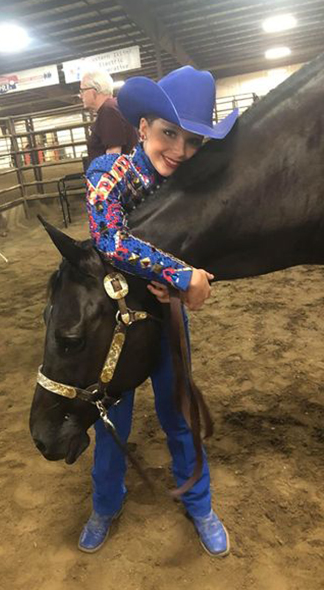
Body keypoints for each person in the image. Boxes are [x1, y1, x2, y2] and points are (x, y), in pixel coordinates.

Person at [80, 66, 239, 557]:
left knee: (179, 411)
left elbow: (204, 244)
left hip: (166, 319)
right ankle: (106, 503)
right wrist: (177, 274)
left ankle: (199, 501)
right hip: (118, 320)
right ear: (143, 128)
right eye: (169, 134)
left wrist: (191, 278)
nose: (180, 151)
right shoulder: (106, 175)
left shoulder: (191, 187)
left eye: (192, 141)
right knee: (112, 417)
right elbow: (108, 238)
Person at [80, 68, 139, 166]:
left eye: (83, 90)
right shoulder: (114, 106)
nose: (81, 95)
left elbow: (113, 156)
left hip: (115, 178)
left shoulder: (108, 111)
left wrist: (105, 179)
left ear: (94, 90)